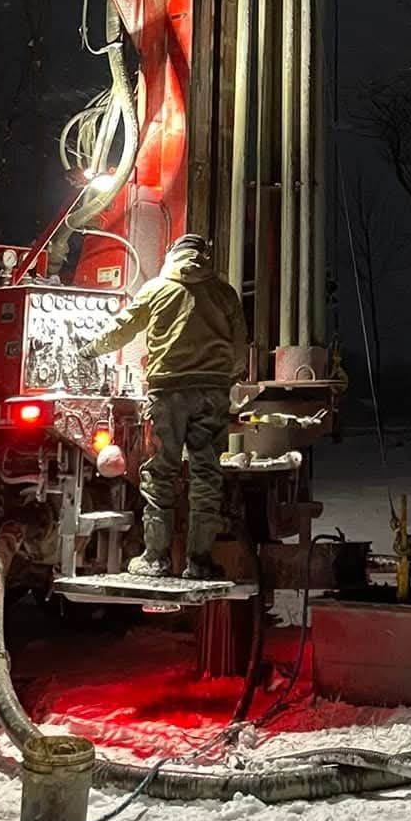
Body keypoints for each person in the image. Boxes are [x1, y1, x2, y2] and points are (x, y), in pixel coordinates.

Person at [89, 233, 248, 580]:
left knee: (161, 473)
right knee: (207, 475)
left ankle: (155, 559)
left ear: (172, 255)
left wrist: (90, 349)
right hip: (212, 393)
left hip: (168, 393)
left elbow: (123, 329)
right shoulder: (225, 293)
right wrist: (224, 376)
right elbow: (239, 352)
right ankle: (200, 562)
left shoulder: (156, 289)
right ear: (204, 256)